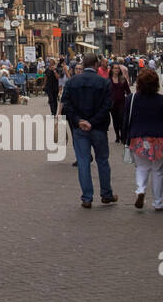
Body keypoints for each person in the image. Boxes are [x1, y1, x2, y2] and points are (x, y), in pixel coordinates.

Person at [61, 52, 117, 208]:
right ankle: (106, 194)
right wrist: (92, 122)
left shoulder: (72, 82)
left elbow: (67, 103)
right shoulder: (103, 82)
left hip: (79, 128)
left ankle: (87, 197)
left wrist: (79, 120)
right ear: (96, 65)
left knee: (83, 162)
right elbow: (107, 106)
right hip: (98, 127)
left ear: (84, 65)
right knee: (102, 161)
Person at [125, 68, 163, 211]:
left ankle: (140, 190)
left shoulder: (132, 99)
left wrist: (126, 138)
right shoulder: (161, 100)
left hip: (138, 138)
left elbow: (126, 121)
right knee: (158, 171)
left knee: (141, 167)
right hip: (159, 139)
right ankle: (158, 203)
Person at [110, 64, 131, 144]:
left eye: (118, 68)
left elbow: (128, 91)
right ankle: (117, 136)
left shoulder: (122, 79)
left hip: (122, 103)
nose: (117, 70)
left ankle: (123, 136)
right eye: (115, 68)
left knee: (122, 120)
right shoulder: (108, 80)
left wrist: (129, 99)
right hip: (113, 104)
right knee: (115, 121)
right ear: (112, 69)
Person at [44, 59, 60, 134]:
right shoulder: (47, 69)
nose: (49, 63)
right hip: (49, 86)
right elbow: (46, 77)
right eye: (49, 61)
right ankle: (52, 113)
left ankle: (55, 111)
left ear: (53, 62)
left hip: (55, 86)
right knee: (51, 100)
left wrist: (54, 71)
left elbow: (58, 78)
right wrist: (44, 84)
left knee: (55, 99)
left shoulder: (57, 69)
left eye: (51, 62)